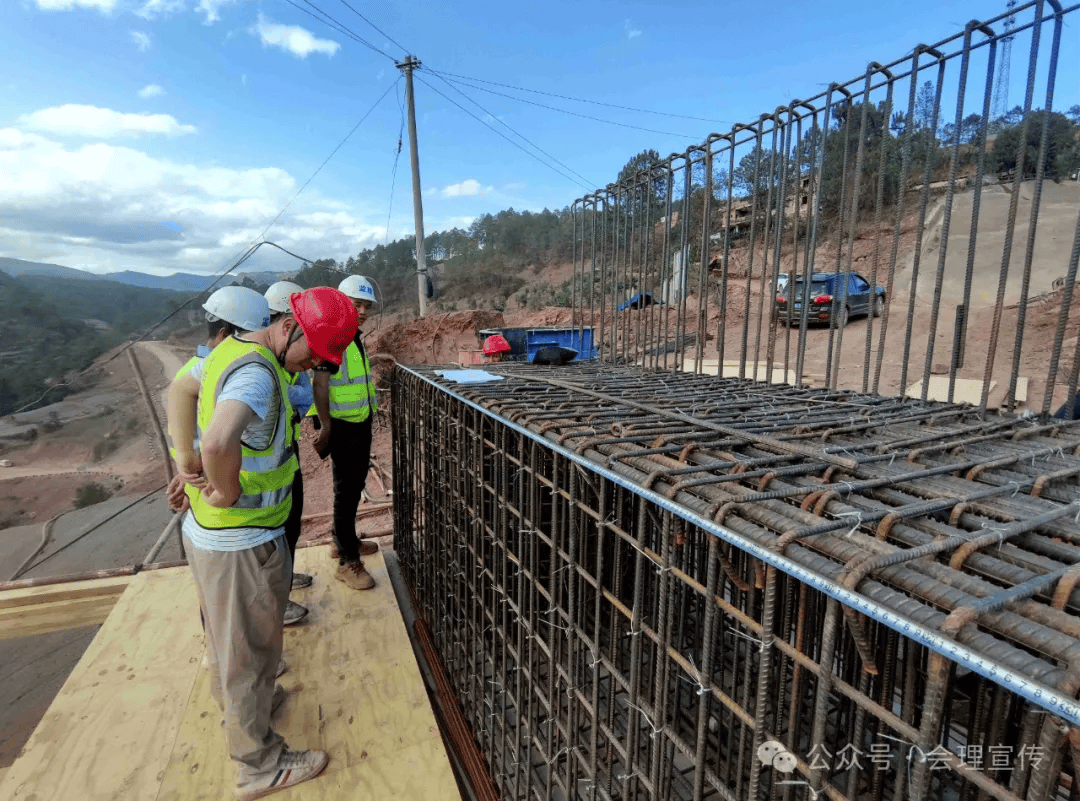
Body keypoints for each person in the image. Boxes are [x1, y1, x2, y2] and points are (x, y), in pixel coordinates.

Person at [167, 287, 358, 800]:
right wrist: (222, 483)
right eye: (317, 353)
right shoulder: (257, 375)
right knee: (248, 653)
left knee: (234, 645)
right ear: (289, 328)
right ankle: (259, 765)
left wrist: (184, 463)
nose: (318, 364)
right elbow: (220, 440)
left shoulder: (226, 354)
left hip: (215, 538)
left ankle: (245, 708)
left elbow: (180, 392)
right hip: (240, 543)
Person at [309, 274, 379, 591]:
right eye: (356, 304)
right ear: (341, 304)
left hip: (359, 421)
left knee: (353, 486)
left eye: (366, 306)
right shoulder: (335, 336)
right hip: (342, 425)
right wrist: (325, 426)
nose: (362, 310)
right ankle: (347, 561)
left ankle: (343, 539)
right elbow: (320, 383)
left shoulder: (354, 336)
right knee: (347, 492)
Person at [264, 281, 314, 626]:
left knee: (291, 521)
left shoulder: (289, 357)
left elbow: (303, 396)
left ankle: (284, 576)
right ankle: (273, 602)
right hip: (261, 462)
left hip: (286, 450)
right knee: (269, 533)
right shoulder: (263, 359)